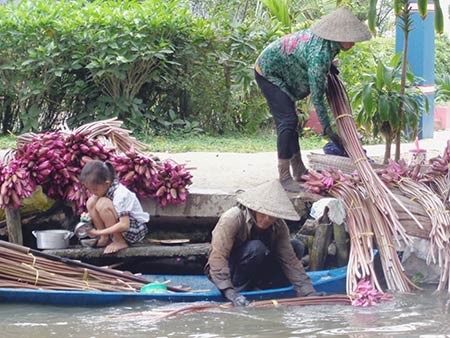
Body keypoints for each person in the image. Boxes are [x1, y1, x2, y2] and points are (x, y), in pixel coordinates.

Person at [254, 7, 371, 192]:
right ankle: (284, 176)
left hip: (279, 71)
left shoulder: (329, 45)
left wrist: (330, 66)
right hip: (268, 73)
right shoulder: (319, 56)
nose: (354, 42)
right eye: (351, 37)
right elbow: (317, 97)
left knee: (290, 121)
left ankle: (299, 169)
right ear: (338, 36)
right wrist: (328, 129)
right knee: (288, 121)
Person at [204, 179, 324, 307]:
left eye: (272, 216)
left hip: (259, 270)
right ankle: (240, 289)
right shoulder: (232, 218)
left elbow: (289, 260)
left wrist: (308, 292)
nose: (267, 219)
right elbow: (218, 256)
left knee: (296, 246)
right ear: (255, 209)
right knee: (256, 248)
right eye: (264, 213)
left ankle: (261, 286)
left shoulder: (279, 225)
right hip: (234, 270)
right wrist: (230, 292)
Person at [80, 160, 150, 254]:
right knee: (91, 202)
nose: (92, 192)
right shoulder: (104, 189)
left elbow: (124, 225)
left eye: (95, 189)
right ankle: (105, 238)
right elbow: (95, 209)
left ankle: (119, 241)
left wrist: (97, 232)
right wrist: (87, 218)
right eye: (89, 189)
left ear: (107, 183)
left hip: (134, 229)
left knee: (102, 203)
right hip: (119, 226)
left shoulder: (120, 194)